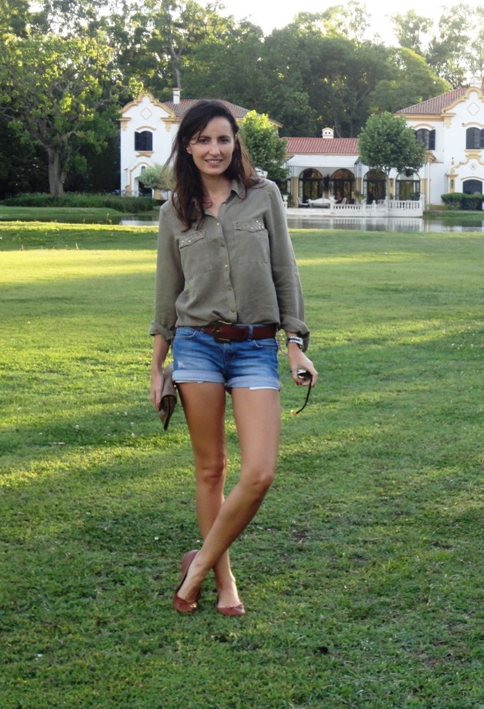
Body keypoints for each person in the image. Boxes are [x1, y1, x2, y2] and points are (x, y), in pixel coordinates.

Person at [149, 100, 316, 616]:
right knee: (211, 470)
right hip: (196, 345)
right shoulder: (174, 211)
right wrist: (156, 368)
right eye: (202, 140)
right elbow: (166, 293)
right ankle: (225, 582)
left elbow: (285, 270)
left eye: (223, 139)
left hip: (255, 347)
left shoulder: (264, 195)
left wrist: (295, 344)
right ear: (188, 147)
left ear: (235, 143)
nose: (214, 149)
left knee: (259, 472)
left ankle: (197, 565)